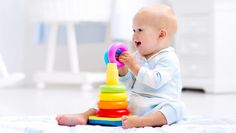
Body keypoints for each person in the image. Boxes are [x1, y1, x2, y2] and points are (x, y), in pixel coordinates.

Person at [56, 4, 184, 129]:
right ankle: (84, 116)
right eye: (133, 30)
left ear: (161, 35)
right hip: (135, 104)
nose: (134, 35)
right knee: (108, 107)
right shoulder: (137, 57)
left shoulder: (169, 58)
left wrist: (133, 65)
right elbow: (127, 86)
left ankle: (142, 121)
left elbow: (155, 81)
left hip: (159, 105)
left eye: (140, 30)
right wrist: (123, 70)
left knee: (174, 109)